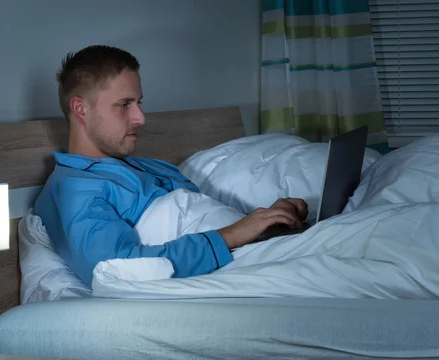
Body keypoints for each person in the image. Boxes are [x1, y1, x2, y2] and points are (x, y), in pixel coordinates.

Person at [34, 45, 307, 287]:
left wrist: (269, 219)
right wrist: (231, 236)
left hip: (271, 247)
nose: (140, 117)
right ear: (81, 110)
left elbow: (207, 217)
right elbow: (114, 269)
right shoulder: (75, 190)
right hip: (250, 267)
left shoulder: (151, 167)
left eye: (138, 103)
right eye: (124, 105)